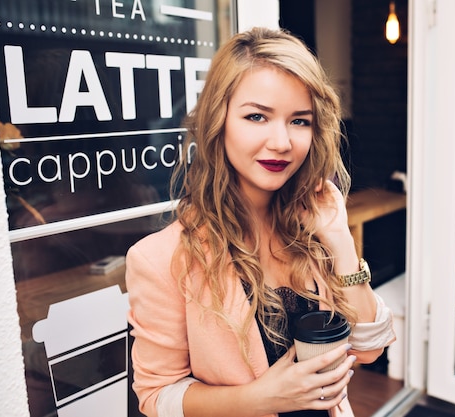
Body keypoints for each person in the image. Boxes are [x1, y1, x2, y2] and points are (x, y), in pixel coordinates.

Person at [126, 27, 396, 417]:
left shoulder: (312, 229)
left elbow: (370, 348)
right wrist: (260, 398)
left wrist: (340, 240)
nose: (282, 142)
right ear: (218, 120)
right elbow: (156, 397)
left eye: (299, 121)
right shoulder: (161, 258)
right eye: (257, 116)